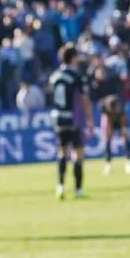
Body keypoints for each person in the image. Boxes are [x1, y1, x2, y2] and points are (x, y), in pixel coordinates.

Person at [49, 43, 94, 200]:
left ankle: (60, 186)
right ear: (73, 58)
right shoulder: (76, 76)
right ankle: (79, 190)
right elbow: (84, 98)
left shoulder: (54, 76)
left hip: (58, 118)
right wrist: (89, 119)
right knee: (78, 153)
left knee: (62, 152)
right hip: (74, 118)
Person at [99, 94, 130, 175]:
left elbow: (124, 121)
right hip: (109, 119)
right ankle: (108, 163)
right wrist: (108, 132)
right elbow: (106, 120)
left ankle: (128, 162)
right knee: (107, 139)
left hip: (120, 119)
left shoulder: (122, 107)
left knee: (125, 136)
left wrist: (123, 130)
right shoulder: (103, 107)